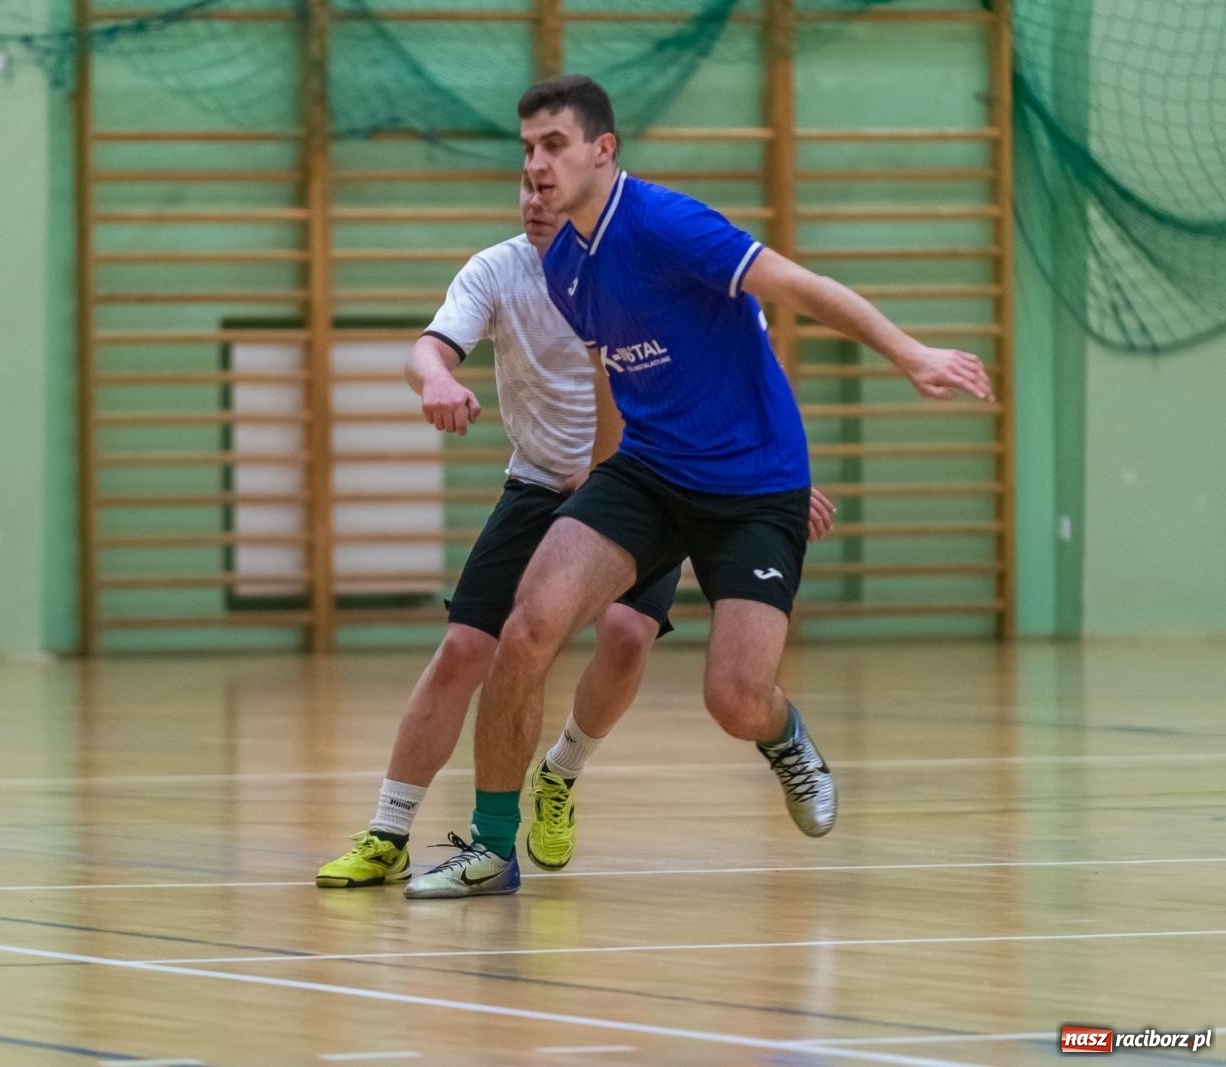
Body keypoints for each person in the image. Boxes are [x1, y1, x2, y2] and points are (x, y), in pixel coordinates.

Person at [403, 75, 992, 899]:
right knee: (528, 624)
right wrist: (598, 482)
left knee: (735, 698)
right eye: (528, 149)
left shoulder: (667, 224)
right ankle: (492, 849)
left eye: (555, 146)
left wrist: (911, 354)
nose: (535, 165)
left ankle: (785, 736)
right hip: (648, 472)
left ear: (602, 151)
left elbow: (800, 289)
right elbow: (620, 375)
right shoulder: (567, 267)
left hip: (754, 486)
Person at [316, 175, 837, 891]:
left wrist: (778, 470)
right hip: (539, 488)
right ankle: (389, 829)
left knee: (626, 642)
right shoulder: (497, 269)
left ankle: (559, 772)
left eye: (549, 184)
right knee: (466, 649)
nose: (534, 199)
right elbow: (428, 349)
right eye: (524, 185)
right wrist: (434, 381)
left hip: (647, 484)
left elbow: (744, 365)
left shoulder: (642, 261)